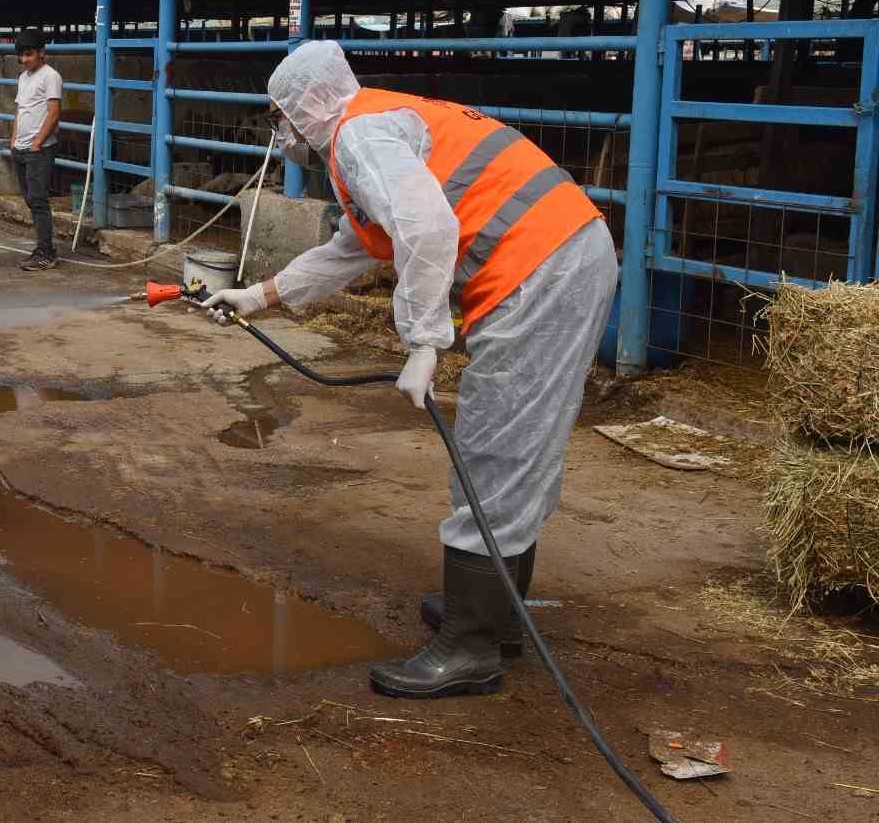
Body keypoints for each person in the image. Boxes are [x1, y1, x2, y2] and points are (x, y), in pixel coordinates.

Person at [202, 41, 617, 700]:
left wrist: (425, 340)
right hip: (554, 256)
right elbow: (354, 247)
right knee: (510, 445)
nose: (279, 132)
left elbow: (424, 227)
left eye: (279, 116)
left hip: (543, 267)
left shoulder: (358, 136)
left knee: (496, 448)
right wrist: (261, 296)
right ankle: (493, 613)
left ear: (306, 107)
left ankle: (471, 647)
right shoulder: (369, 131)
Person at [11, 28, 62, 272]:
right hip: (21, 148)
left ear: (42, 52)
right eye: (21, 56)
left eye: (29, 54)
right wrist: (14, 141)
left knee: (39, 200)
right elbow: (20, 111)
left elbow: (53, 113)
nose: (24, 60)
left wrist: (37, 143)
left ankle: (45, 252)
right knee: (31, 199)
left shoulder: (50, 76)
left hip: (38, 149)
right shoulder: (23, 78)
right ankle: (44, 247)